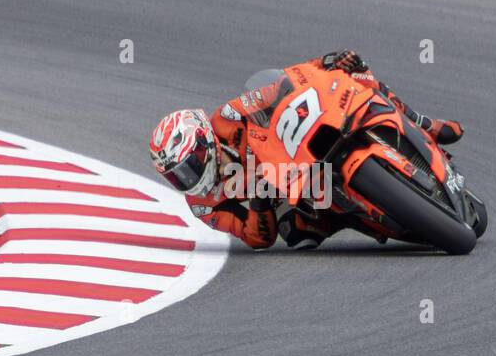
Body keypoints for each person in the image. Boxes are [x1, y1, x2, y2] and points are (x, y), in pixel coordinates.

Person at [149, 50, 463, 249]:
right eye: (177, 177)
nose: (188, 178)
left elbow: (279, 87)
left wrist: (321, 64)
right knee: (298, 235)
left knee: (354, 72)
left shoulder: (227, 118)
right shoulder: (203, 205)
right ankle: (366, 216)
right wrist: (259, 197)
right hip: (286, 196)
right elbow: (257, 238)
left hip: (295, 145)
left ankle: (422, 123)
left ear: (204, 141)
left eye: (190, 165)